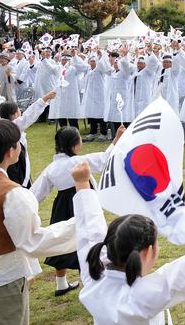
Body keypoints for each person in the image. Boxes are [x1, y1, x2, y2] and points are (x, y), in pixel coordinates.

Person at [69, 161, 185, 325]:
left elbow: (90, 232)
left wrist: (82, 184)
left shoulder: (94, 278)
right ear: (147, 252)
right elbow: (175, 277)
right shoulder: (139, 297)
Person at [0, 119, 76, 324]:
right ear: (11, 151)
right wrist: (81, 224)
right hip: (0, 286)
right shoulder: (12, 193)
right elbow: (33, 241)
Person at [31, 125, 125, 296]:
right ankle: (92, 282)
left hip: (61, 206)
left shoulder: (51, 167)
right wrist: (117, 139)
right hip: (81, 202)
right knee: (90, 240)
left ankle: (61, 284)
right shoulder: (78, 162)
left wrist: (27, 206)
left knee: (60, 243)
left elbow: (37, 193)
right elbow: (105, 159)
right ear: (74, 146)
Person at [0, 80, 56, 187]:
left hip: (4, 161)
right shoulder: (15, 126)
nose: (21, 112)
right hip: (16, 162)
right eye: (19, 111)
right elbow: (30, 114)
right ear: (14, 115)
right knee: (19, 184)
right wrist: (45, 98)